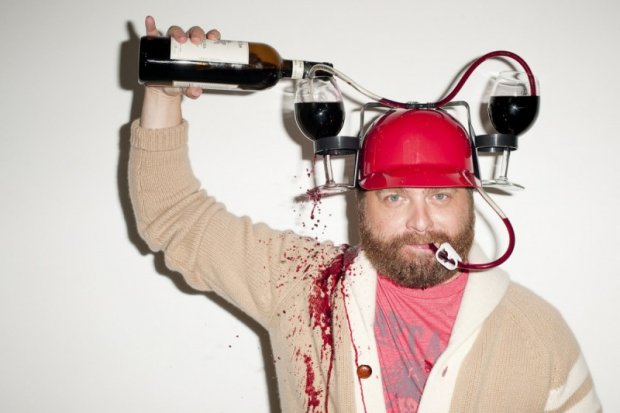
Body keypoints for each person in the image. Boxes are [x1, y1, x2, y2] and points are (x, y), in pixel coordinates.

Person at [128, 16, 602, 413]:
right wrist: (164, 95)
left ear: (474, 198)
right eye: (394, 198)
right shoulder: (302, 283)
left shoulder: (538, 334)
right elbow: (173, 214)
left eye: (440, 196)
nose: (420, 222)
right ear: (361, 204)